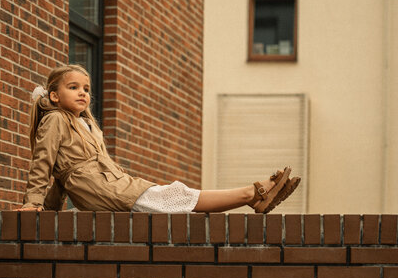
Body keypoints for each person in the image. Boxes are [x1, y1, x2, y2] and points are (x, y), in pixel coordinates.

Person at [19, 64, 300, 213]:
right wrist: (33, 202)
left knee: (175, 200)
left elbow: (59, 175)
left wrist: (52, 208)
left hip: (115, 185)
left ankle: (254, 197)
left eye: (86, 88)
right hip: (104, 190)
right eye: (73, 87)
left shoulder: (85, 124)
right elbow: (43, 162)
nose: (83, 93)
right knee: (175, 197)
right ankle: (252, 193)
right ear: (54, 95)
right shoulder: (55, 119)